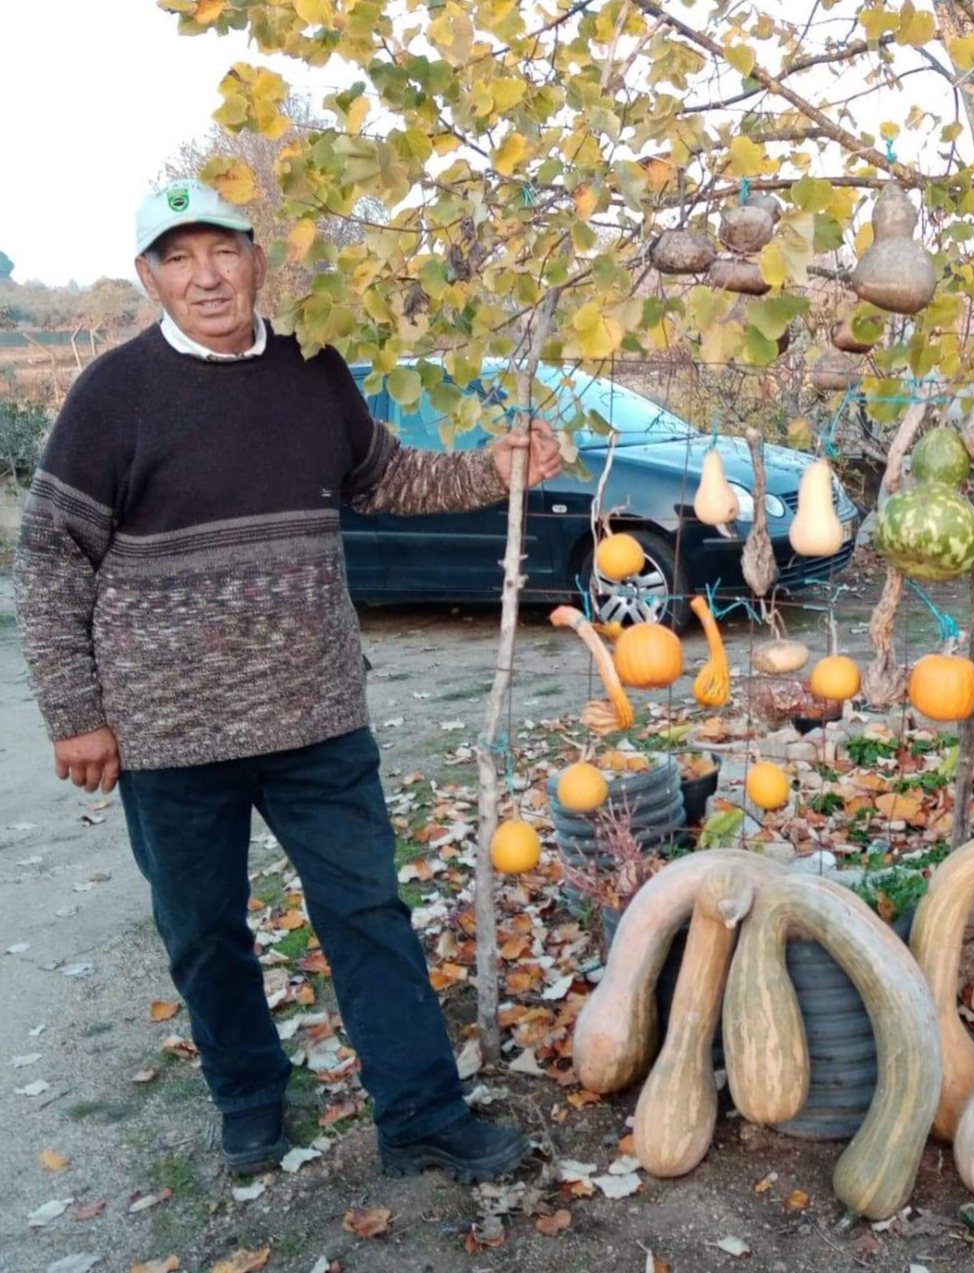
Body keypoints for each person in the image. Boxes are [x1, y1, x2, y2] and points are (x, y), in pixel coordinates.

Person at [13, 179, 564, 1181]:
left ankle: (422, 1116)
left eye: (220, 249)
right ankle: (251, 1101)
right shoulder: (111, 395)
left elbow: (384, 478)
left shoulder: (313, 371)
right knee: (205, 933)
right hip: (170, 732)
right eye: (177, 257)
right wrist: (76, 712)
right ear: (150, 276)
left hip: (316, 715)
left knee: (367, 914)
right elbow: (51, 555)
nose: (205, 275)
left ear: (256, 257)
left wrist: (492, 470)